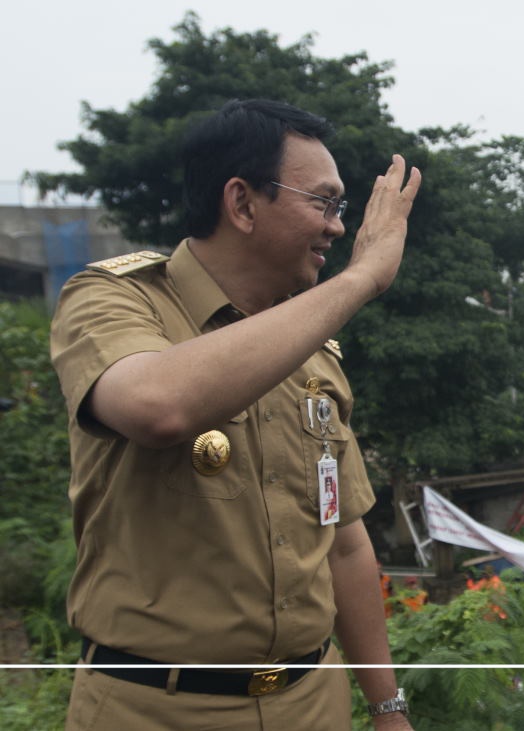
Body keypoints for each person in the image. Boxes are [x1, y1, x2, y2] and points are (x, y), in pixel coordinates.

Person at [50, 99, 419, 730]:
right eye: (324, 203)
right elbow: (156, 406)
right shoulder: (111, 299)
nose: (337, 228)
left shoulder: (315, 352)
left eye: (341, 209)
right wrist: (362, 279)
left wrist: (388, 709)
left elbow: (345, 545)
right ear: (243, 202)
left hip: (313, 705)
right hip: (154, 710)